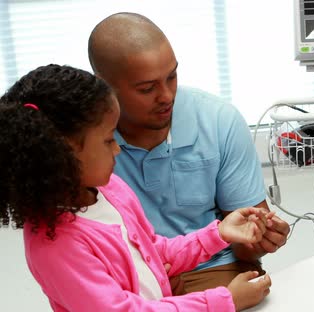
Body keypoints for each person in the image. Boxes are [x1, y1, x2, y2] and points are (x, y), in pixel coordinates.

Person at [0, 64, 273, 311]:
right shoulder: (55, 245)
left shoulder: (109, 190)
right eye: (108, 140)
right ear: (64, 153)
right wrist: (224, 301)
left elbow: (152, 251)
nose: (117, 149)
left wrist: (219, 234)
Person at [86, 12, 291, 295]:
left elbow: (245, 249)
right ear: (104, 85)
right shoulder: (84, 144)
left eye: (171, 77)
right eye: (147, 88)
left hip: (212, 270)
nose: (167, 95)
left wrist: (260, 237)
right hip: (129, 279)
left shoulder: (219, 121)